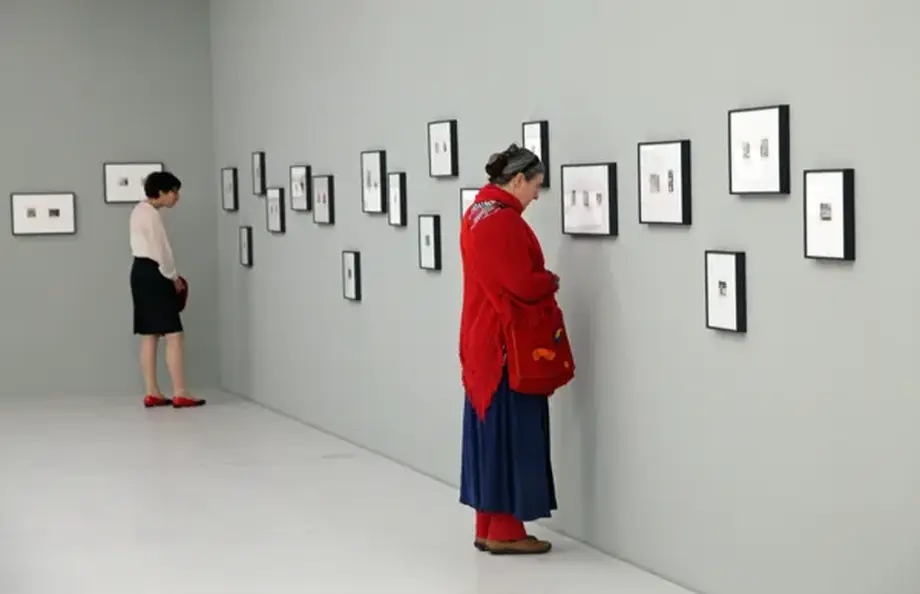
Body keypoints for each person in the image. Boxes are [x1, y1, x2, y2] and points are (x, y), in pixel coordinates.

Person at [458, 144, 576, 555]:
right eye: (536, 186)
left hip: (482, 339)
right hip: (505, 344)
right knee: (511, 431)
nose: (537, 195)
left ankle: (487, 525)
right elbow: (521, 284)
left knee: (489, 431)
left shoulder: (477, 212)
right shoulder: (502, 220)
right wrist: (550, 281)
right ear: (518, 179)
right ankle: (506, 532)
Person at [129, 171, 205, 409]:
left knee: (149, 333)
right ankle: (181, 392)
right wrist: (174, 278)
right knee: (174, 334)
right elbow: (162, 251)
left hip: (139, 271)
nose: (176, 197)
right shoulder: (152, 215)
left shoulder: (137, 210)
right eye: (174, 191)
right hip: (156, 273)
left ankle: (152, 391)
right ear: (160, 192)